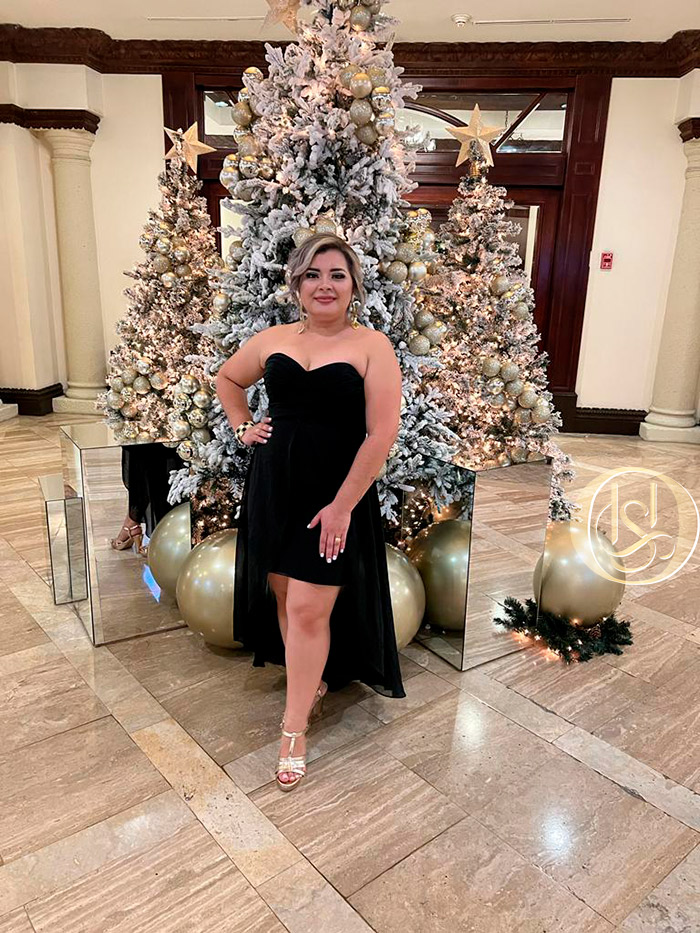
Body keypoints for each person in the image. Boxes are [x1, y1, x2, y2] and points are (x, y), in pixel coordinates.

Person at [216, 233, 406, 792]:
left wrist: (344, 506)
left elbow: (382, 433)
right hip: (274, 487)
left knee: (306, 607)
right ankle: (311, 683)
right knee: (284, 595)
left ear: (353, 286)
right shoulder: (272, 338)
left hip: (335, 495)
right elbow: (228, 378)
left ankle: (293, 730)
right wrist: (241, 426)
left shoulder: (372, 345)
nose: (325, 285)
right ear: (296, 285)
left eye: (337, 275)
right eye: (313, 275)